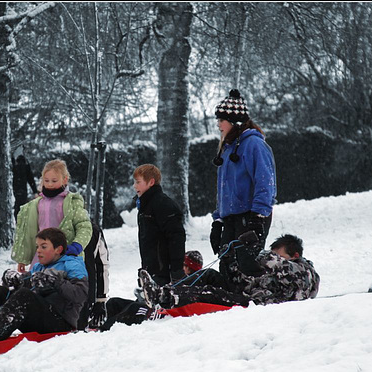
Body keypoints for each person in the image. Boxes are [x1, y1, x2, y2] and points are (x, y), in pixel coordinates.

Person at [142, 233, 319, 310]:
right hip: (245, 293)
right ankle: (164, 291)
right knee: (209, 276)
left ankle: (165, 298)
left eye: (279, 255)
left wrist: (252, 251)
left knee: (211, 293)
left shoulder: (305, 273)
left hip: (256, 304)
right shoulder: (275, 270)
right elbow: (242, 279)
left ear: (295, 255)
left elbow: (278, 266)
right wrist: (230, 260)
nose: (275, 258)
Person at [210, 89, 277, 287]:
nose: (218, 124)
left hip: (251, 216)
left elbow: (266, 184)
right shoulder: (227, 148)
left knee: (247, 265)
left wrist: (258, 218)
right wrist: (218, 220)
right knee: (227, 264)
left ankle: (257, 301)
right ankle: (231, 302)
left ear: (234, 122)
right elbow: (224, 189)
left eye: (221, 120)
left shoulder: (254, 145)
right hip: (231, 218)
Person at [11, 159, 92, 273]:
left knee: (59, 286)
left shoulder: (72, 203)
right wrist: (23, 259)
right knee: (36, 285)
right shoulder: (36, 204)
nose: (49, 184)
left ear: (65, 180)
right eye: (46, 180)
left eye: (54, 180)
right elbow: (27, 232)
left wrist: (77, 245)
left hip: (64, 255)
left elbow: (84, 226)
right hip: (41, 257)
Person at [98, 251, 207, 331]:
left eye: (185, 265)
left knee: (133, 308)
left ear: (190, 267)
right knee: (114, 302)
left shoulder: (194, 285)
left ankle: (103, 328)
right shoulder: (180, 278)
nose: (182, 267)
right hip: (151, 306)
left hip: (158, 312)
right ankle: (96, 323)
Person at [133, 164, 186, 286]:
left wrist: (176, 270)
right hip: (152, 270)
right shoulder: (145, 206)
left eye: (138, 182)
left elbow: (176, 238)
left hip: (164, 272)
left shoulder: (163, 204)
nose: (134, 186)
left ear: (151, 182)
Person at [79, 222, 111, 330]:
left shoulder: (43, 220)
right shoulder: (90, 229)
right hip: (83, 297)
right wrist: (100, 300)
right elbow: (101, 265)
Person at [12, 151, 37, 218]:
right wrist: (35, 191)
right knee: (21, 208)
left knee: (17, 208)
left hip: (15, 189)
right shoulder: (26, 165)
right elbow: (30, 179)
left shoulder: (13, 164)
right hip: (22, 190)